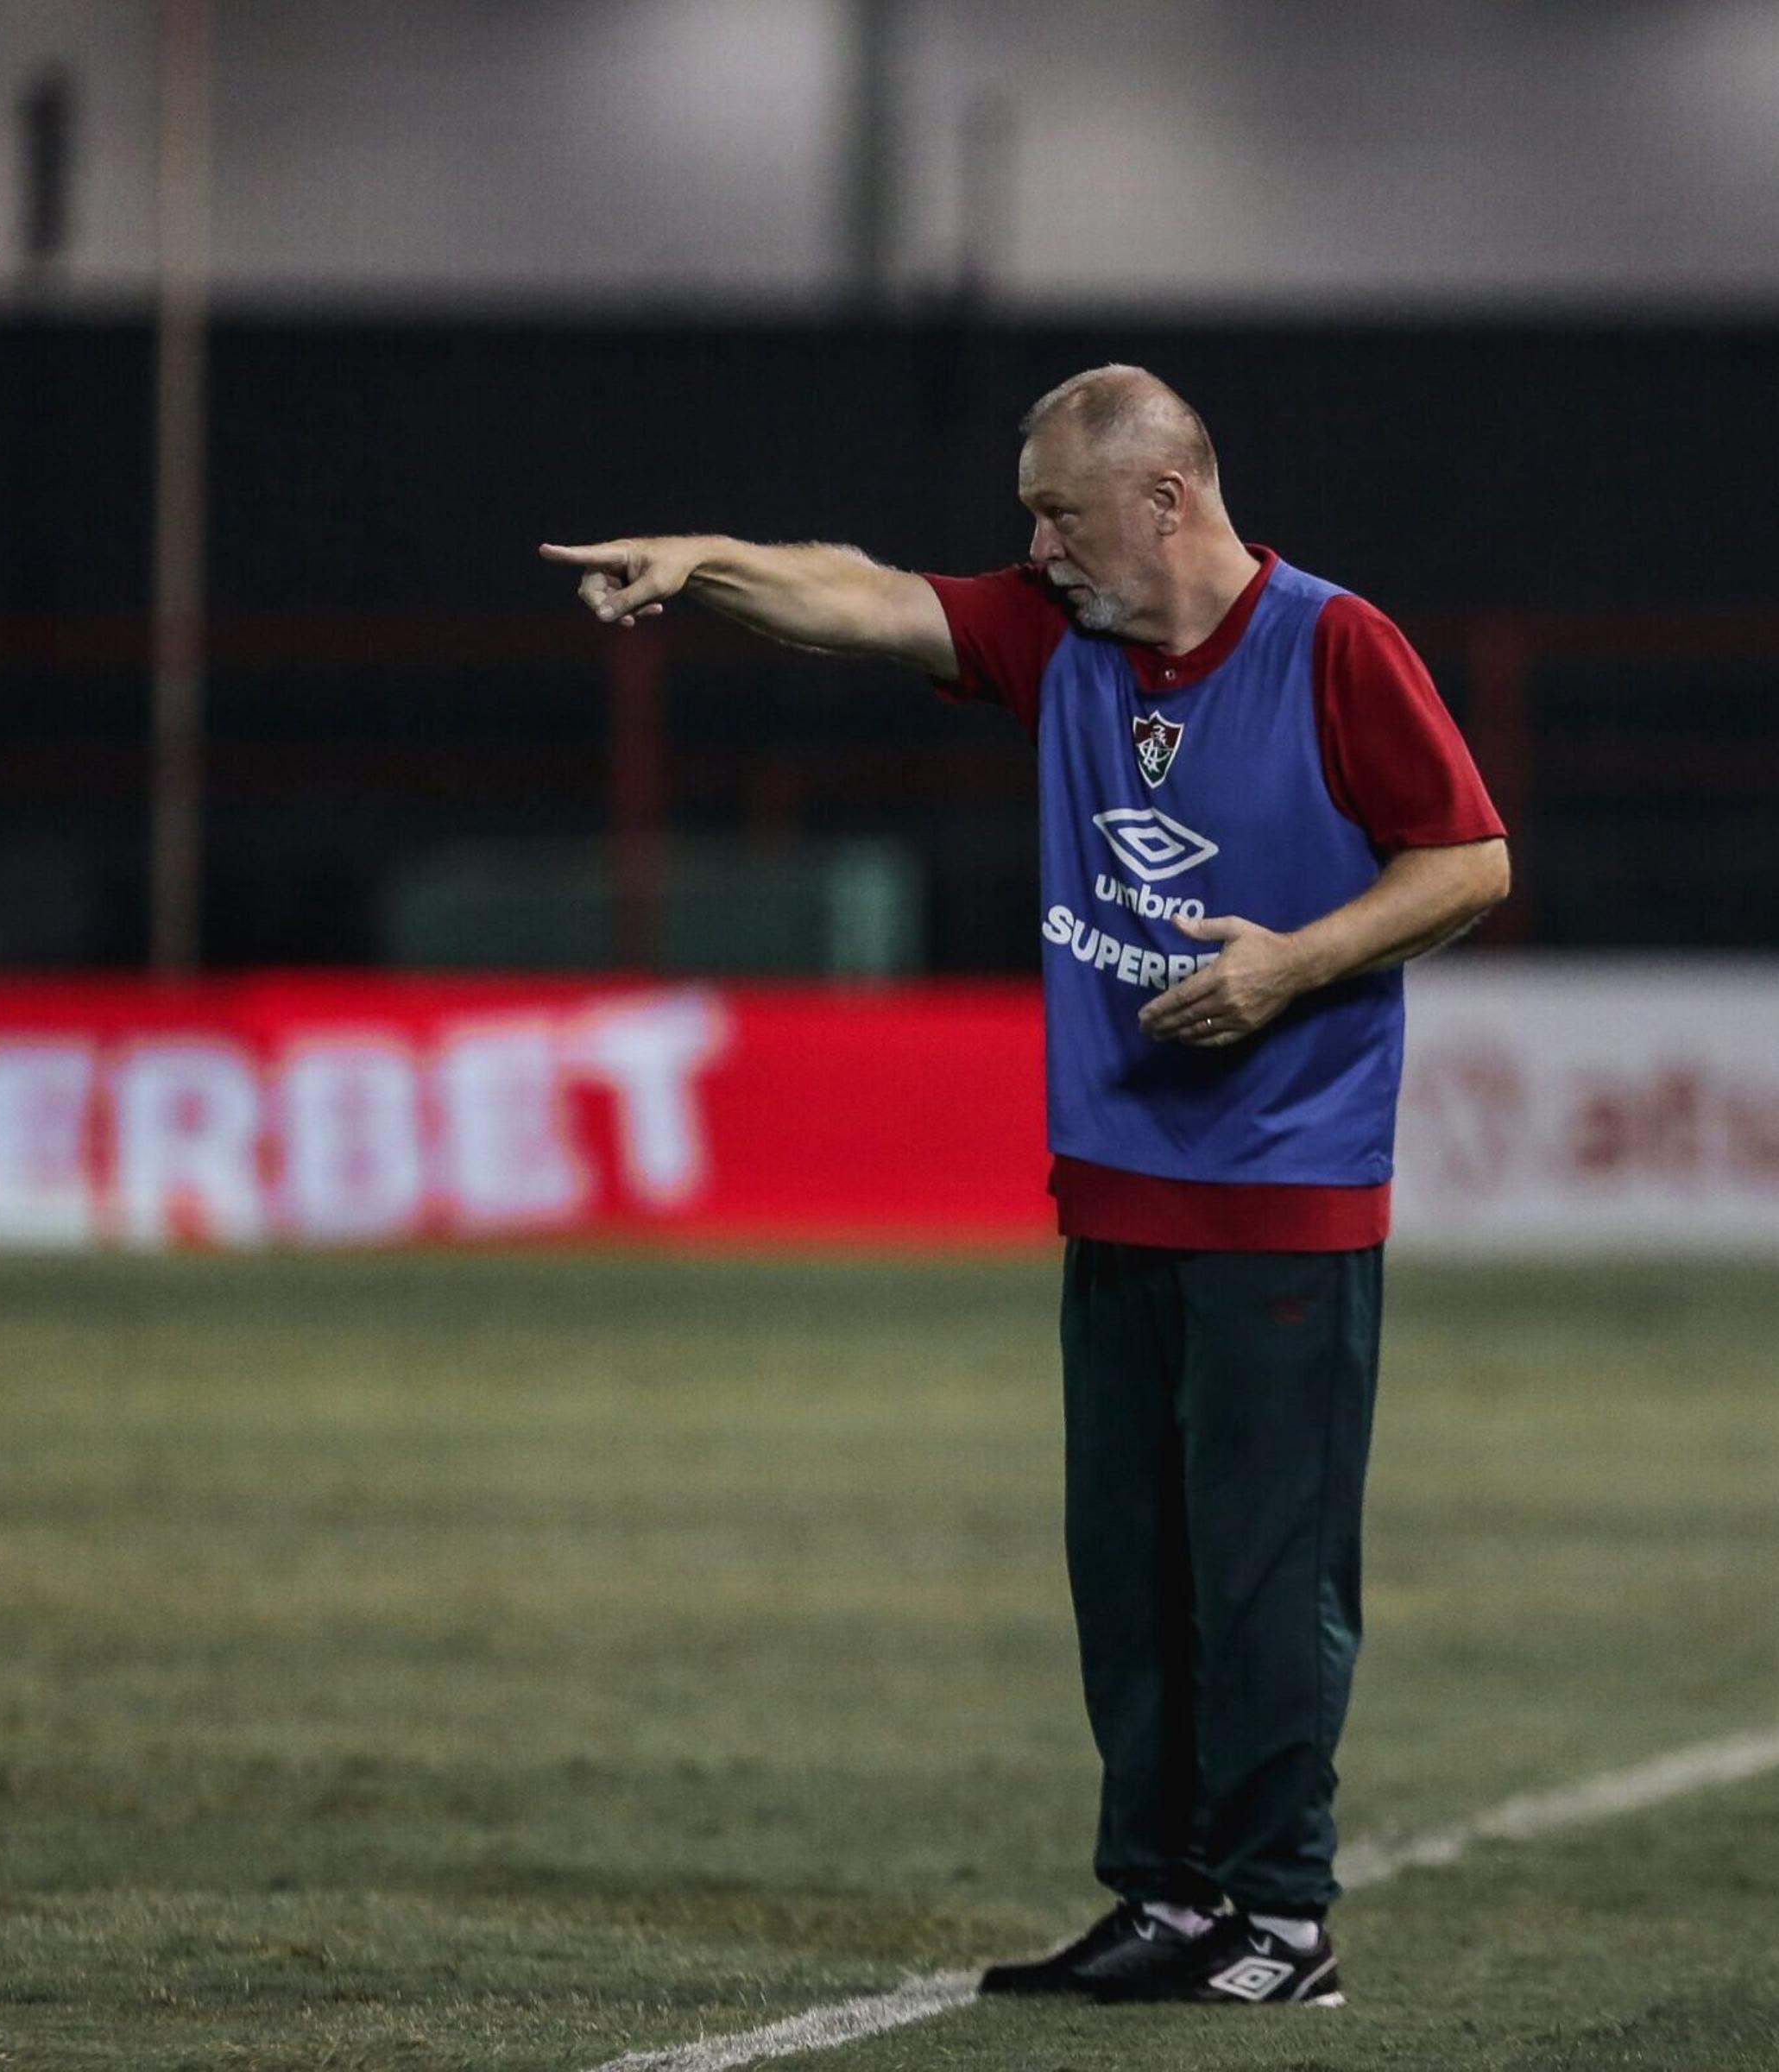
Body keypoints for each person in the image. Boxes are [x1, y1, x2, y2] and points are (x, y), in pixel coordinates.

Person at [539, 365, 1510, 2010]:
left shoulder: (1336, 644)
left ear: (1167, 498)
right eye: (1028, 518)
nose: (1036, 546)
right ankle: (1168, 1897)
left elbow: (1470, 859)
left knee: (1268, 1582)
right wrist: (706, 557)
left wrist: (1291, 969)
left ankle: (1283, 1921)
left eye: (1060, 512)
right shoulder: (1060, 635)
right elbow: (862, 595)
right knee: (1132, 1579)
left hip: (1285, 1199)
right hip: (1116, 1186)